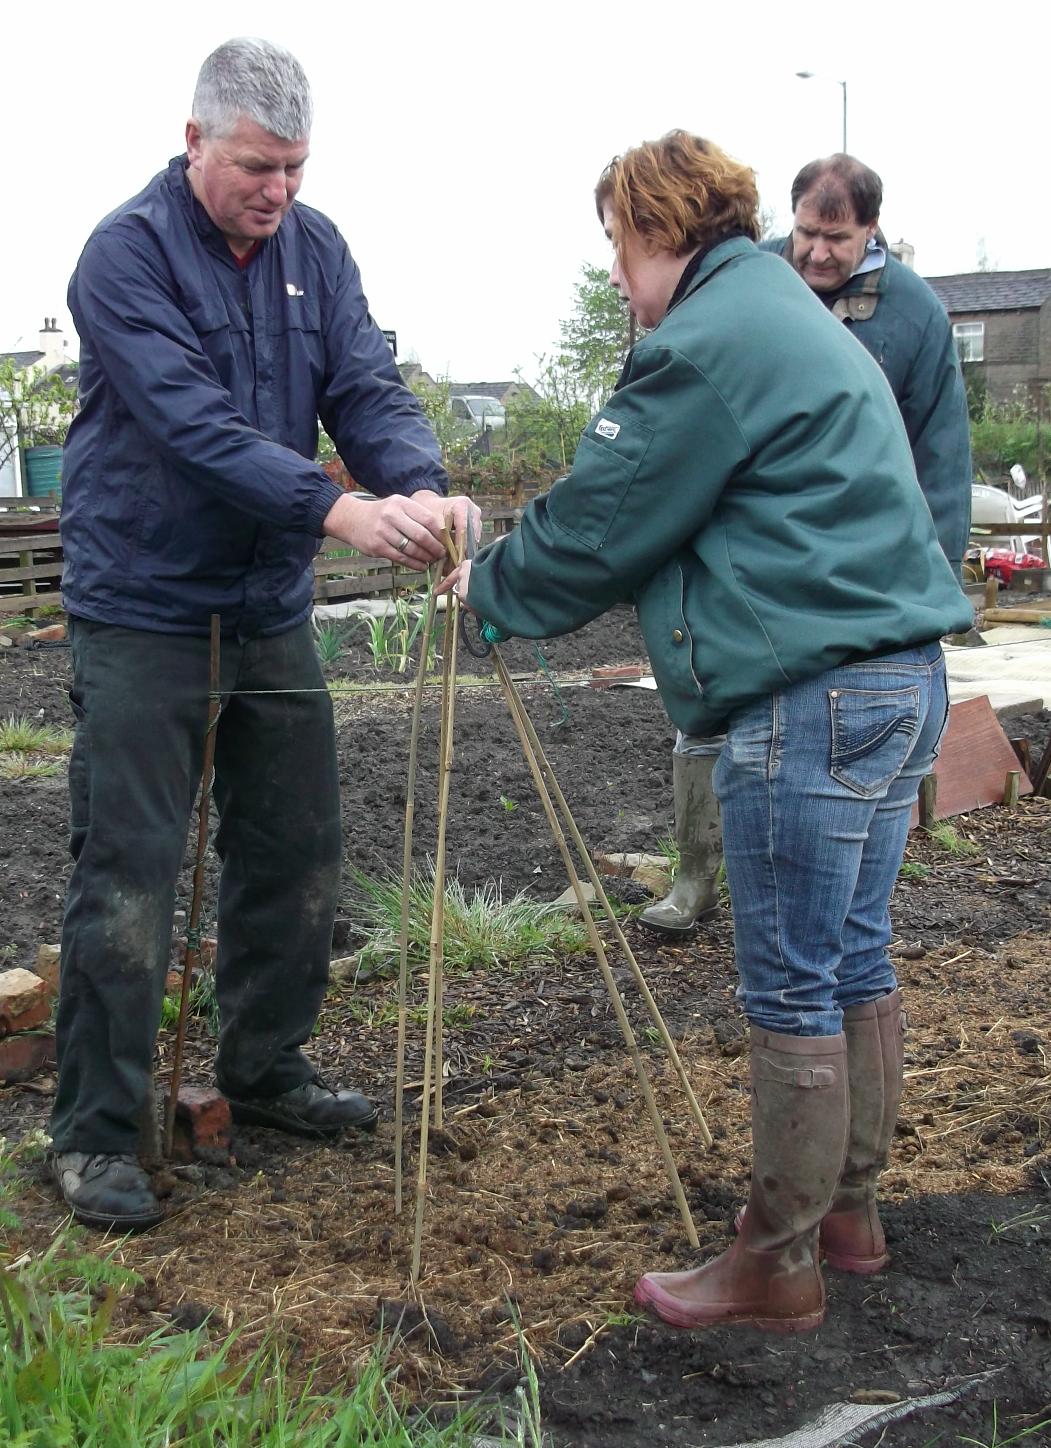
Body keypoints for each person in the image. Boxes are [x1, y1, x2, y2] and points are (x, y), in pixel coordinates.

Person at [440, 130, 972, 1333]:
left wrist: (485, 590)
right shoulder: (788, 309)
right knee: (854, 957)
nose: (620, 280)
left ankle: (772, 1263)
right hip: (900, 678)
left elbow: (602, 523)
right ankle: (850, 1215)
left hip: (811, 693)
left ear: (652, 232)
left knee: (792, 981)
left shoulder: (702, 344)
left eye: (618, 251)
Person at [50, 37, 478, 1233]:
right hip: (144, 603)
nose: (276, 189)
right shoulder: (123, 257)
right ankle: (93, 1130)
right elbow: (191, 425)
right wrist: (338, 507)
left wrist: (424, 486)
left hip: (265, 608)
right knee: (127, 872)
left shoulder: (317, 249)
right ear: (195, 142)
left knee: (295, 845)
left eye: (293, 166)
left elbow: (366, 382)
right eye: (255, 165)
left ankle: (266, 1065)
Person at [641, 151, 974, 937]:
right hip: (744, 559)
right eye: (805, 233)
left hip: (853, 579)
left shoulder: (912, 315)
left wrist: (935, 590)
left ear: (871, 231)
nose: (817, 253)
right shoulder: (749, 281)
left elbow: (942, 456)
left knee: (835, 741)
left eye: (838, 238)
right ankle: (695, 877)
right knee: (703, 714)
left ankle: (824, 910)